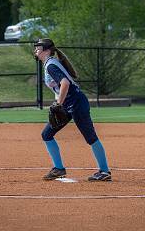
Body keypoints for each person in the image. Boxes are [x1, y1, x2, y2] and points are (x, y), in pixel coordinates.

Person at [34, 38, 111, 182]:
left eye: (38, 48)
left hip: (77, 103)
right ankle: (58, 168)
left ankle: (105, 171)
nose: (36, 50)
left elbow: (65, 83)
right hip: (68, 104)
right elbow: (61, 87)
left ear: (46, 50)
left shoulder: (51, 65)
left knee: (90, 137)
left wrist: (58, 104)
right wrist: (59, 102)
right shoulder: (50, 64)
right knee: (47, 134)